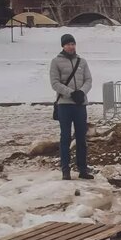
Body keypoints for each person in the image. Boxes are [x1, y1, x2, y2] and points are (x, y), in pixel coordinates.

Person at [49, 33, 94, 180]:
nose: (71, 46)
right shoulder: (56, 62)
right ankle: (65, 169)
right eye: (68, 44)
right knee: (65, 137)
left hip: (80, 105)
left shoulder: (82, 61)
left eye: (73, 44)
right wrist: (71, 93)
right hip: (65, 105)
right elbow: (55, 83)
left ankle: (82, 168)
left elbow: (88, 80)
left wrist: (81, 92)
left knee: (81, 137)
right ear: (63, 46)